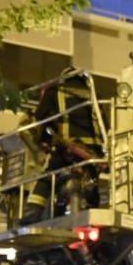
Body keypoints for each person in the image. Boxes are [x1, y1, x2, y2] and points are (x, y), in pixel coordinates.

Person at [20, 69, 104, 224]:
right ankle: (91, 212)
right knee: (92, 183)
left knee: (47, 178)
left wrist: (43, 139)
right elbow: (104, 125)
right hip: (93, 154)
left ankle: (32, 212)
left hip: (69, 149)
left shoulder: (55, 92)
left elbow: (40, 122)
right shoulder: (94, 96)